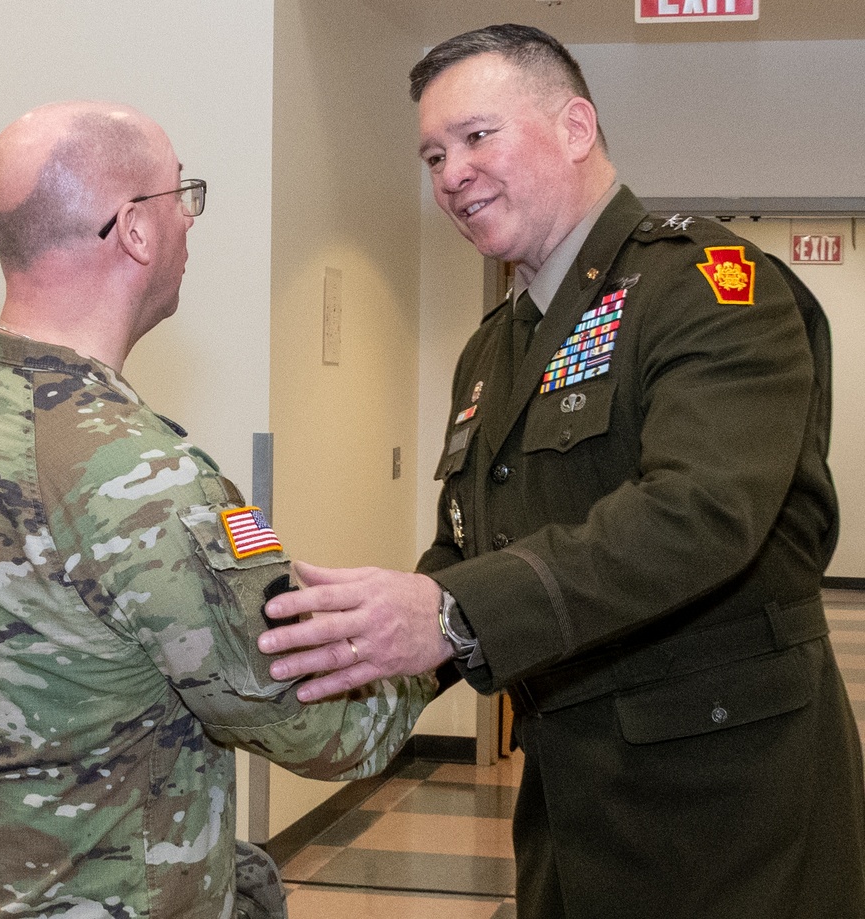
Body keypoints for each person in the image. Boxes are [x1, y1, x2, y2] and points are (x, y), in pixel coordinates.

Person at [258, 24, 865, 919]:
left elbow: (698, 514)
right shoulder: (491, 349)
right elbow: (466, 550)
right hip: (574, 799)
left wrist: (454, 616)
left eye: (476, 137)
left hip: (731, 802)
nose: (450, 175)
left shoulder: (708, 286)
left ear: (576, 127)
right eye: (432, 155)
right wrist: (358, 659)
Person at [0, 101, 434, 919]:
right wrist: (449, 623)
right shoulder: (140, 477)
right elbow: (324, 729)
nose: (190, 225)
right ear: (134, 229)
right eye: (182, 196)